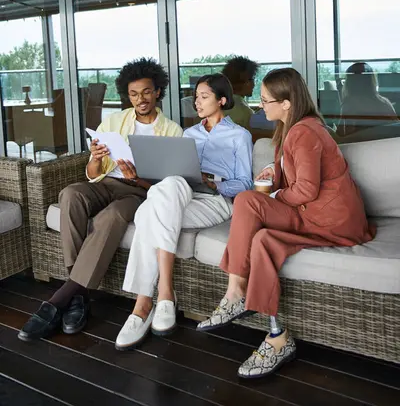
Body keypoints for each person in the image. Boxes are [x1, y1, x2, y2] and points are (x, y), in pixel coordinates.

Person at [197, 67, 375, 379]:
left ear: (287, 103)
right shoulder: (292, 128)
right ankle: (277, 338)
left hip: (329, 220)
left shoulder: (304, 132)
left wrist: (273, 194)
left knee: (248, 201)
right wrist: (273, 172)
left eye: (265, 100)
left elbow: (306, 189)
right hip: (316, 214)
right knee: (262, 239)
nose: (260, 105)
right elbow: (295, 173)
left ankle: (234, 292)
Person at [18, 58, 182, 342]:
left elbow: (168, 185)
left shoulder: (172, 131)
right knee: (71, 194)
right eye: (133, 94)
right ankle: (78, 295)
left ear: (157, 91)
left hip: (140, 191)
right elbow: (93, 174)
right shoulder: (114, 122)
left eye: (145, 92)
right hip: (106, 182)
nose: (139, 99)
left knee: (113, 216)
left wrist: (138, 180)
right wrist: (95, 158)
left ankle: (60, 300)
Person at [115, 73, 253, 350]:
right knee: (170, 185)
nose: (197, 103)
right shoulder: (188, 135)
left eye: (204, 97)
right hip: (180, 196)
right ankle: (162, 295)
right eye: (196, 97)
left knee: (147, 214)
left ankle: (143, 305)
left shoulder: (240, 135)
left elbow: (246, 183)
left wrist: (215, 181)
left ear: (222, 100)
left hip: (215, 201)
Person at [337, 62, 397, 137]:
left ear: (350, 83)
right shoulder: (385, 102)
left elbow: (342, 134)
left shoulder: (350, 105)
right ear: (371, 81)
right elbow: (396, 127)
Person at [221, 56, 259, 128]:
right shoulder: (244, 112)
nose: (254, 84)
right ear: (247, 82)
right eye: (253, 79)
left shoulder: (216, 104)